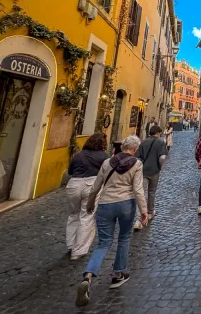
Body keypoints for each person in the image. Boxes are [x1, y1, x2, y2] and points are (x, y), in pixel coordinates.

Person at [76, 135, 146, 307]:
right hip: (126, 204)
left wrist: (90, 203)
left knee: (103, 243)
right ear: (135, 149)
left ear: (122, 146)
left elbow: (96, 186)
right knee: (124, 238)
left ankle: (88, 276)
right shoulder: (136, 164)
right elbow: (138, 189)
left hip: (106, 204)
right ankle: (118, 274)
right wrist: (144, 211)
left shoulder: (107, 163)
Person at [66, 133, 109, 260]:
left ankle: (71, 244)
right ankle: (78, 250)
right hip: (91, 185)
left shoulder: (78, 155)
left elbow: (70, 171)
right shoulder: (104, 156)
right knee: (87, 216)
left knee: (73, 214)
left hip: (74, 184)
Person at [134, 125, 167, 230]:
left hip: (143, 171)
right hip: (154, 171)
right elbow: (162, 157)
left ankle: (138, 219)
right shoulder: (161, 142)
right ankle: (150, 212)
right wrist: (159, 166)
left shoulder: (143, 142)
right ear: (157, 133)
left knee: (141, 193)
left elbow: (137, 157)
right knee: (152, 192)